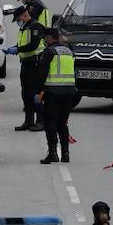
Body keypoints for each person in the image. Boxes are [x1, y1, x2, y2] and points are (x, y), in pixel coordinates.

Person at [37, 27, 78, 164]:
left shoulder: (50, 52)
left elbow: (42, 73)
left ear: (50, 38)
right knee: (63, 123)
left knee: (51, 123)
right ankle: (66, 154)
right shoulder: (69, 51)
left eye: (45, 38)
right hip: (68, 92)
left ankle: (53, 153)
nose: (44, 40)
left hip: (52, 92)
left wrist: (39, 92)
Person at [5, 5, 46, 131]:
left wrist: (17, 49)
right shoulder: (24, 28)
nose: (18, 22)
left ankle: (40, 121)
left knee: (36, 94)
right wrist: (14, 49)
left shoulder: (36, 27)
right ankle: (28, 121)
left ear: (24, 15)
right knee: (26, 94)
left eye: (18, 19)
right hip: (26, 64)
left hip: (36, 65)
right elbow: (22, 44)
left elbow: (33, 45)